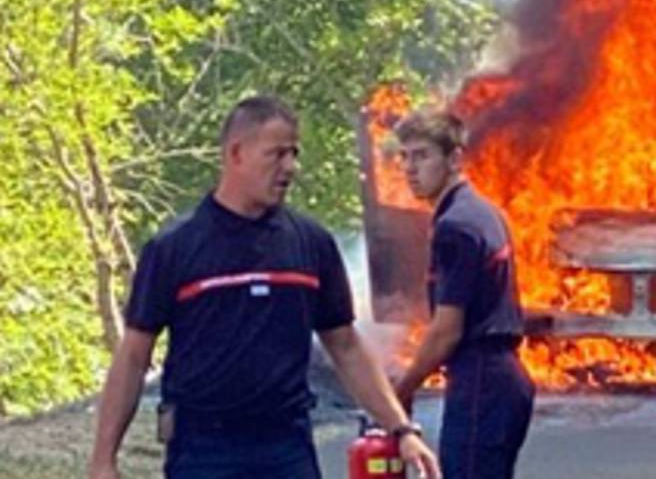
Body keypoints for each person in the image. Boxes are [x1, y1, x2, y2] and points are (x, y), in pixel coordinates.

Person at [88, 96, 439, 479]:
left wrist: (400, 428)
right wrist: (104, 460)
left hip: (286, 449)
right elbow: (134, 356)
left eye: (294, 153)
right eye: (276, 154)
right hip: (204, 452)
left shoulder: (310, 243)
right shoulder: (174, 248)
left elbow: (346, 346)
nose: (290, 167)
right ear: (236, 154)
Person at [392, 109, 535, 479]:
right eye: (404, 156)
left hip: (480, 382)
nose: (409, 168)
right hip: (503, 380)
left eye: (422, 155)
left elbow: (447, 329)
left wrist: (402, 389)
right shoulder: (485, 212)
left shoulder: (456, 227)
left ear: (454, 159)